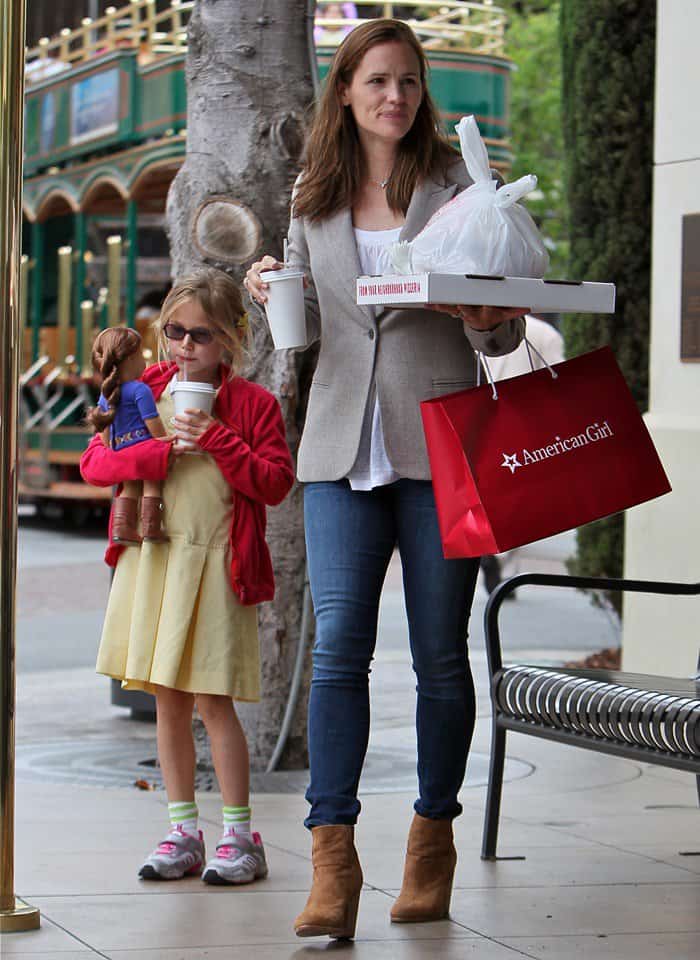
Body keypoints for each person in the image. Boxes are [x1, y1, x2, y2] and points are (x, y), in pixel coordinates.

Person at [245, 18, 526, 940]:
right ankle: (333, 859)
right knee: (339, 653)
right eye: (377, 81)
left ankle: (431, 842)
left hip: (439, 439)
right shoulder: (313, 194)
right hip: (337, 446)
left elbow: (504, 335)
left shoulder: (461, 187)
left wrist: (487, 316)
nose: (394, 97)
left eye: (408, 81)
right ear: (346, 91)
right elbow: (314, 328)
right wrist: (270, 291)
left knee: (441, 657)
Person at [80, 269, 295, 884]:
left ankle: (238, 833)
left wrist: (220, 441)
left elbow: (275, 483)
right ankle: (181, 830)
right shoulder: (141, 389)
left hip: (217, 564)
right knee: (166, 701)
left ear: (230, 338)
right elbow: (95, 462)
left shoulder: (253, 405)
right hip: (154, 559)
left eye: (199, 335)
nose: (183, 346)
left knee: (212, 699)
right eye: (173, 331)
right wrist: (159, 452)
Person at [479, 315, 566, 594]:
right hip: (525, 428)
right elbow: (557, 383)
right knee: (518, 503)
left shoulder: (475, 326)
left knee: (494, 498)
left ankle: (497, 559)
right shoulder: (545, 334)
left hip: (483, 422)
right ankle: (504, 565)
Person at [86, 326, 170, 545]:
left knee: (130, 487)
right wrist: (163, 443)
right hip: (144, 448)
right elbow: (152, 421)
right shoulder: (140, 390)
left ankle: (122, 528)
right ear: (131, 359)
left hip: (121, 450)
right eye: (141, 354)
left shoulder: (106, 394)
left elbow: (105, 431)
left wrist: (111, 448)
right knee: (152, 485)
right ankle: (153, 527)